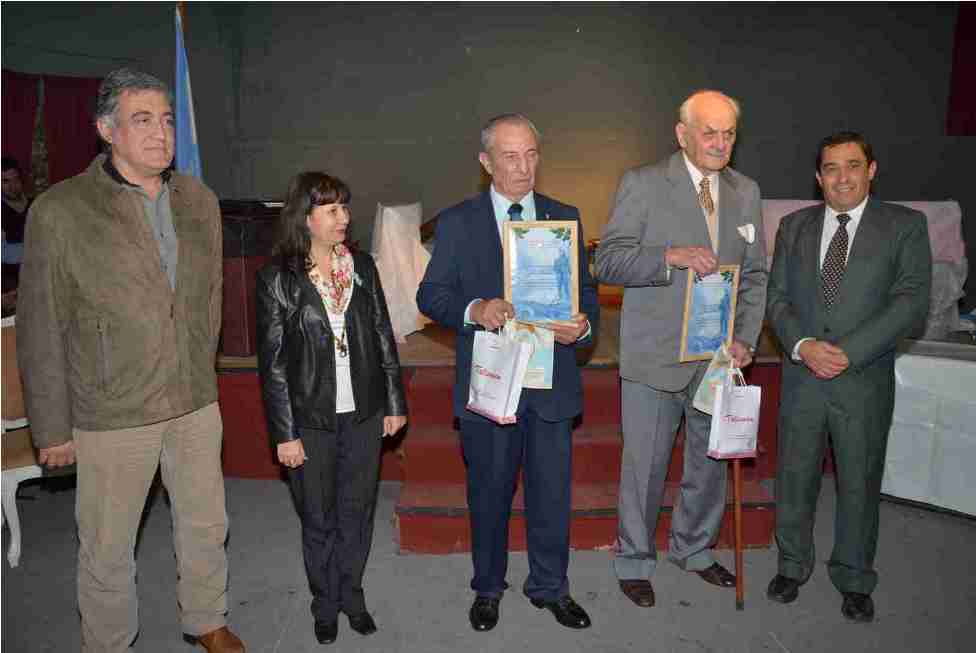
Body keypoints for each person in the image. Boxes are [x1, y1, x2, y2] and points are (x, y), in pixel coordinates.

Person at [16, 69, 244, 653]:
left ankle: (207, 618)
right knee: (108, 546)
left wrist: (204, 373)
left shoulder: (200, 200)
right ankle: (109, 643)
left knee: (205, 525)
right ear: (105, 130)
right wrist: (52, 427)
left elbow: (210, 299)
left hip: (193, 401)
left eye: (167, 119)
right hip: (111, 411)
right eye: (142, 120)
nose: (160, 133)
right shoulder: (62, 210)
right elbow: (40, 326)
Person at [417, 113, 599, 632]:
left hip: (550, 383)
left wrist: (582, 327)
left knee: (552, 496)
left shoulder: (566, 218)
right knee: (490, 494)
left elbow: (585, 296)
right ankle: (488, 588)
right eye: (511, 157)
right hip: (492, 384)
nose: (523, 168)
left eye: (532, 155)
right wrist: (476, 309)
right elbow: (430, 296)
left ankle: (550, 587)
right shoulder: (457, 223)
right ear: (486, 163)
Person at [594, 90, 767, 608]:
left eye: (729, 133)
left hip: (718, 355)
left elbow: (755, 274)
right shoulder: (643, 183)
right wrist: (667, 256)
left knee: (709, 461)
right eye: (709, 132)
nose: (719, 143)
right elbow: (609, 263)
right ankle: (633, 559)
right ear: (682, 134)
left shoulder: (747, 190)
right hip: (654, 354)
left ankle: (694, 549)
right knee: (644, 466)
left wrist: (746, 339)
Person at [765, 131, 931, 622]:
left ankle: (855, 577)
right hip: (803, 376)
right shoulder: (793, 227)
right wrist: (803, 346)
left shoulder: (905, 226)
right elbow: (777, 299)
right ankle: (792, 565)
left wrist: (845, 353)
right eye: (831, 168)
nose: (843, 177)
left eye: (853, 165)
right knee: (794, 476)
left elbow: (911, 303)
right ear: (818, 177)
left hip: (862, 380)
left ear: (871, 170)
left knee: (859, 480)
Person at [256, 172, 408, 645]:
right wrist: (285, 434)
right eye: (332, 210)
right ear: (306, 218)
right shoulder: (278, 279)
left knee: (357, 511)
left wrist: (394, 402)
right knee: (318, 516)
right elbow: (274, 364)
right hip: (310, 421)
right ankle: (324, 603)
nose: (344, 218)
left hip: (363, 414)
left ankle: (353, 595)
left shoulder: (361, 266)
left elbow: (383, 335)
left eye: (344, 207)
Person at [2, 156, 31, 314]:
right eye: (5, 181)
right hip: (10, 290)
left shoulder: (36, 204)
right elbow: (2, 253)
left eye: (15, 179)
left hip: (39, 280)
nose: (13, 186)